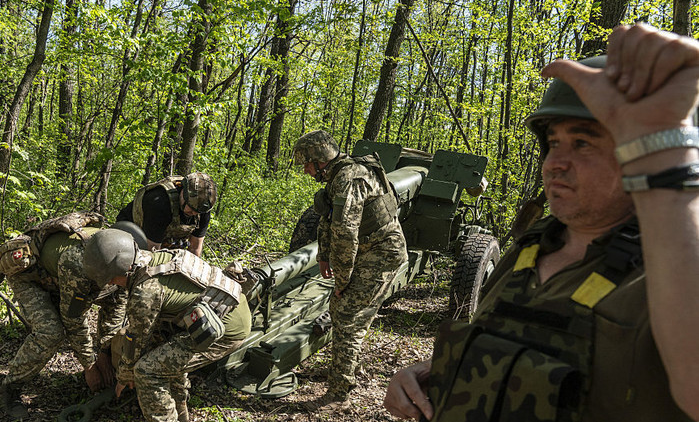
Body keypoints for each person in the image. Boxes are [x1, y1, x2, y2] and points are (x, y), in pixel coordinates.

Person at [384, 23, 699, 422]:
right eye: (553, 144)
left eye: (583, 143)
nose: (555, 164)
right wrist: (432, 376)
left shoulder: (674, 269)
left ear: (637, 153)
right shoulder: (530, 248)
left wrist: (667, 155)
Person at [82, 228, 252, 422]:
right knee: (166, 358)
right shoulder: (151, 258)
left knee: (147, 371)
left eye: (112, 278)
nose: (113, 283)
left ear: (125, 268)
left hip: (225, 328)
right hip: (222, 308)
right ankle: (181, 416)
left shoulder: (144, 292)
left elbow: (135, 341)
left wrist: (123, 377)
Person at [293, 130, 408, 411]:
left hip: (382, 252)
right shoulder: (338, 177)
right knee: (340, 310)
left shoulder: (349, 179)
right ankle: (340, 373)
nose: (306, 171)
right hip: (369, 250)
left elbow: (345, 233)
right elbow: (328, 219)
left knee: (348, 315)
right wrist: (323, 256)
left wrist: (342, 280)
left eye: (307, 164)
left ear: (320, 160)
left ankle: (339, 394)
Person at [0, 214, 127, 420]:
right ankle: (10, 390)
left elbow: (116, 309)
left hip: (57, 274)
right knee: (50, 333)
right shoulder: (78, 264)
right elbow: (73, 321)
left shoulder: (125, 259)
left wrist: (105, 353)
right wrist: (90, 365)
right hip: (30, 276)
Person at [116, 172, 217, 257]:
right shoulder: (160, 203)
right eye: (191, 208)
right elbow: (151, 251)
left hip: (162, 238)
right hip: (130, 232)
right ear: (182, 193)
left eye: (198, 212)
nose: (194, 213)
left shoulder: (202, 209)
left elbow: (195, 248)